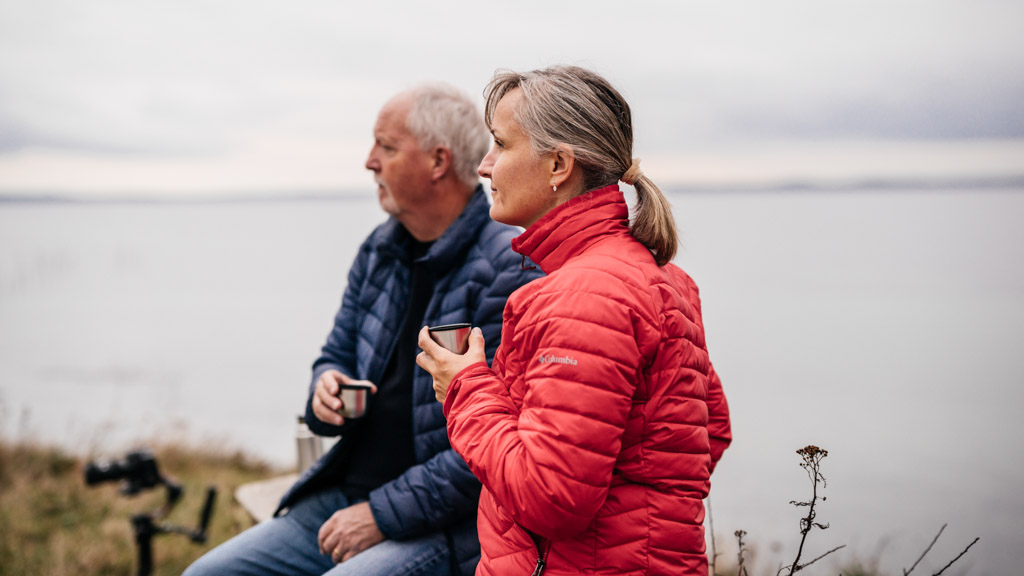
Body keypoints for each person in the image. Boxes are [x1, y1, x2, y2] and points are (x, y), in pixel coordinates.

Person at [183, 84, 542, 576]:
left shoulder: (512, 268)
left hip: (448, 524)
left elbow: (495, 447)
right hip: (348, 493)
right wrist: (325, 389)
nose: (369, 161)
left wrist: (380, 515)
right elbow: (335, 353)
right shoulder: (380, 249)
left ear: (438, 162)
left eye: (386, 147)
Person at [416, 66, 732, 576]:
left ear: (559, 165)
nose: (484, 165)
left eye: (501, 144)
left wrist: (466, 388)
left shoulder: (582, 298)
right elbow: (707, 432)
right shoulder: (663, 278)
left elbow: (550, 499)